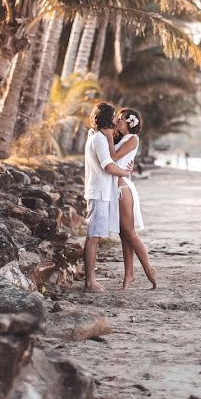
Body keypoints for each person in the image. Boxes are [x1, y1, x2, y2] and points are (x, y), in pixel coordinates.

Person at [83, 102, 133, 293]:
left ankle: (90, 280)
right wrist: (125, 173)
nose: (116, 119)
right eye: (114, 116)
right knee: (93, 237)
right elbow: (108, 165)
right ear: (107, 117)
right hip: (99, 193)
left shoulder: (98, 137)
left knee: (94, 237)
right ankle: (89, 282)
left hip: (100, 192)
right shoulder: (98, 139)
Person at [106, 108, 157, 290]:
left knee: (129, 232)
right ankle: (129, 275)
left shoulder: (133, 139)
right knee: (123, 234)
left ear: (130, 122)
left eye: (120, 119)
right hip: (115, 187)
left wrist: (107, 135)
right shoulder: (121, 139)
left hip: (123, 188)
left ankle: (149, 269)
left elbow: (112, 157)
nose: (117, 121)